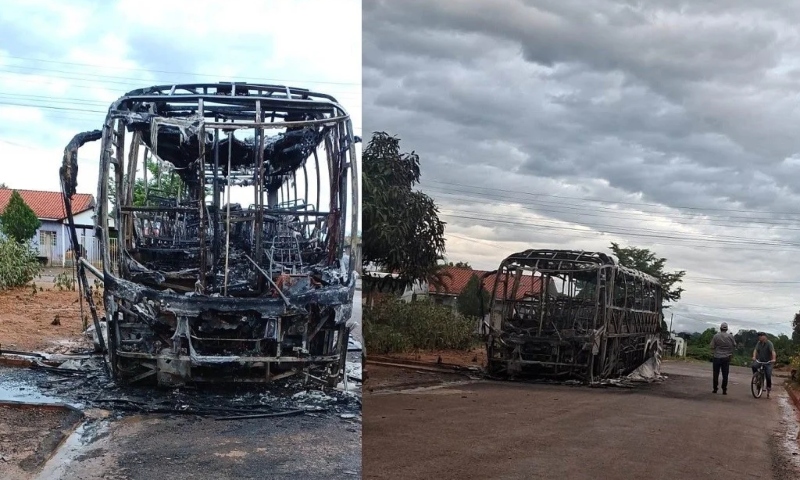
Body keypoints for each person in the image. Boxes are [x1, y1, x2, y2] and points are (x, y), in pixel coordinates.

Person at [709, 322, 736, 394]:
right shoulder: (730, 336)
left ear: (720, 328)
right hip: (726, 357)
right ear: (727, 329)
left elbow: (712, 346)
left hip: (717, 356)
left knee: (715, 374)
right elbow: (734, 345)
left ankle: (715, 389)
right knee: (725, 374)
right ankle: (724, 390)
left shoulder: (716, 336)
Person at [752, 332, 776, 397]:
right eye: (758, 336)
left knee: (768, 375)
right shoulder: (758, 343)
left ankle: (768, 388)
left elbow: (773, 352)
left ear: (764, 337)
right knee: (754, 366)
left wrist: (774, 359)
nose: (759, 337)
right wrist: (754, 357)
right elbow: (755, 350)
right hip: (760, 360)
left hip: (768, 362)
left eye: (760, 336)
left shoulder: (769, 343)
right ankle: (756, 377)